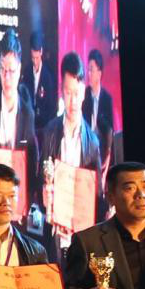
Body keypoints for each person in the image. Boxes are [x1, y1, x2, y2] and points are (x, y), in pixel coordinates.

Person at [41, 52, 103, 248]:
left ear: (84, 91)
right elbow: (40, 177)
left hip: (81, 239)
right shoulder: (50, 132)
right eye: (68, 93)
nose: (73, 101)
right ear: (62, 92)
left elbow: (97, 196)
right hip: (55, 236)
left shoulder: (93, 143)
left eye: (77, 93)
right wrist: (44, 193)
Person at [0, 29, 40, 215]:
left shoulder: (27, 114)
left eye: (11, 71)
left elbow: (32, 164)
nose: (6, 78)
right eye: (2, 70)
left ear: (20, 69)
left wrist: (26, 203)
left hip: (17, 203)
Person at [82, 48, 115, 171]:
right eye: (88, 69)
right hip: (86, 147)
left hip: (101, 148)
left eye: (91, 70)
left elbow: (110, 130)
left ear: (99, 73)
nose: (89, 74)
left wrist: (108, 152)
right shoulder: (84, 95)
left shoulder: (107, 99)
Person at [23, 31, 57, 134]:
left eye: (37, 58)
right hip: (29, 123)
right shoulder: (27, 72)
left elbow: (51, 107)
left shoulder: (48, 76)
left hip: (44, 125)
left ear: (41, 52)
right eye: (33, 58)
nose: (35, 62)